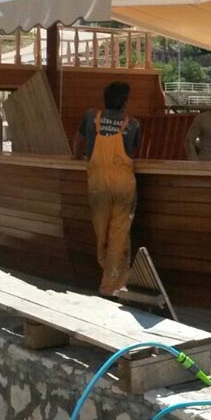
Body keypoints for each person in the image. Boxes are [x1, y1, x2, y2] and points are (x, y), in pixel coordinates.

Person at [73, 82, 140, 296]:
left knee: (101, 234)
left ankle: (110, 282)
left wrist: (76, 157)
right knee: (119, 235)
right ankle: (114, 285)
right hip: (124, 184)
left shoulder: (91, 117)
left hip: (98, 185)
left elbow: (78, 142)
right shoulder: (133, 124)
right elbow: (133, 152)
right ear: (125, 102)